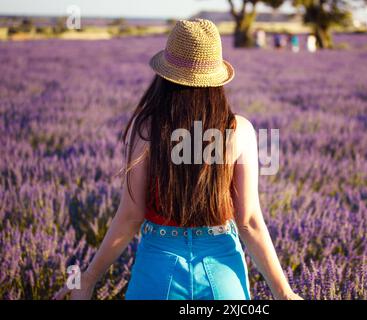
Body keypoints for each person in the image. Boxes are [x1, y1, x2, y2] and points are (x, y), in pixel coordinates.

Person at [54, 19, 302, 300]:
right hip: (221, 273)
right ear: (216, 78)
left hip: (158, 271)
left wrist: (87, 280)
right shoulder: (238, 130)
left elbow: (129, 217)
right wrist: (285, 293)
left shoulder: (147, 129)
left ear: (165, 75)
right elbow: (249, 222)